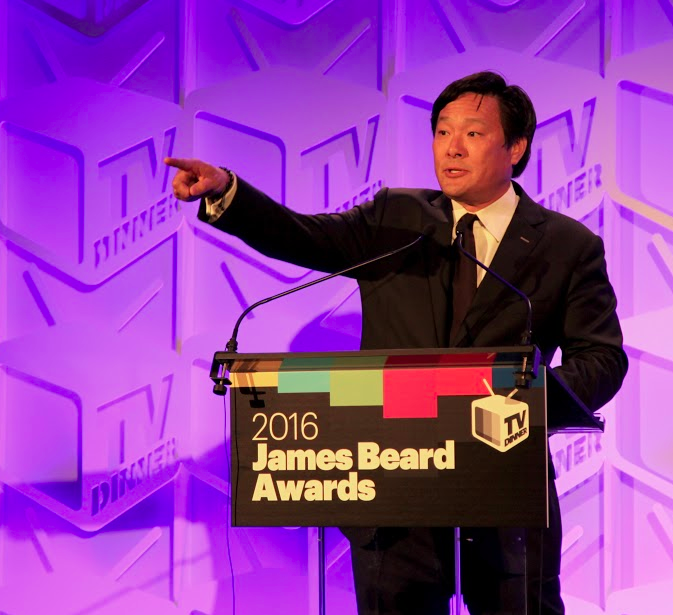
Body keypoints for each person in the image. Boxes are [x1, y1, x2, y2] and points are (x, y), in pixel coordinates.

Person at [166, 71, 627, 615]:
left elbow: (601, 357)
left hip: (506, 491)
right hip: (393, 490)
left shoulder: (567, 245)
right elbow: (303, 235)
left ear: (516, 147)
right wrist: (228, 193)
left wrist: (528, 401)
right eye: (442, 132)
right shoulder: (397, 218)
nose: (451, 147)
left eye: (473, 134)